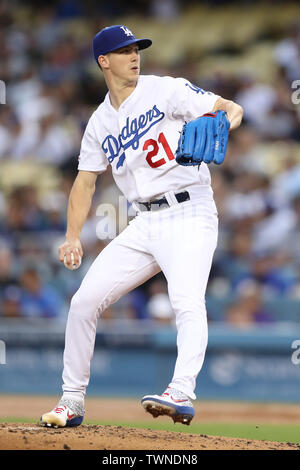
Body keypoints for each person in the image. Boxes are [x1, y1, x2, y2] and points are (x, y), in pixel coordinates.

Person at [40, 25, 243, 428]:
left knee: (186, 301)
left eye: (137, 49)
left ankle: (181, 391)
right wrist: (72, 236)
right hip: (143, 221)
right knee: (83, 303)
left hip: (189, 211)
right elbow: (85, 180)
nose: (134, 55)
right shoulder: (100, 121)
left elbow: (229, 107)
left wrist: (225, 122)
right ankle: (72, 400)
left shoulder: (165, 90)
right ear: (104, 61)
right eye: (124, 50)